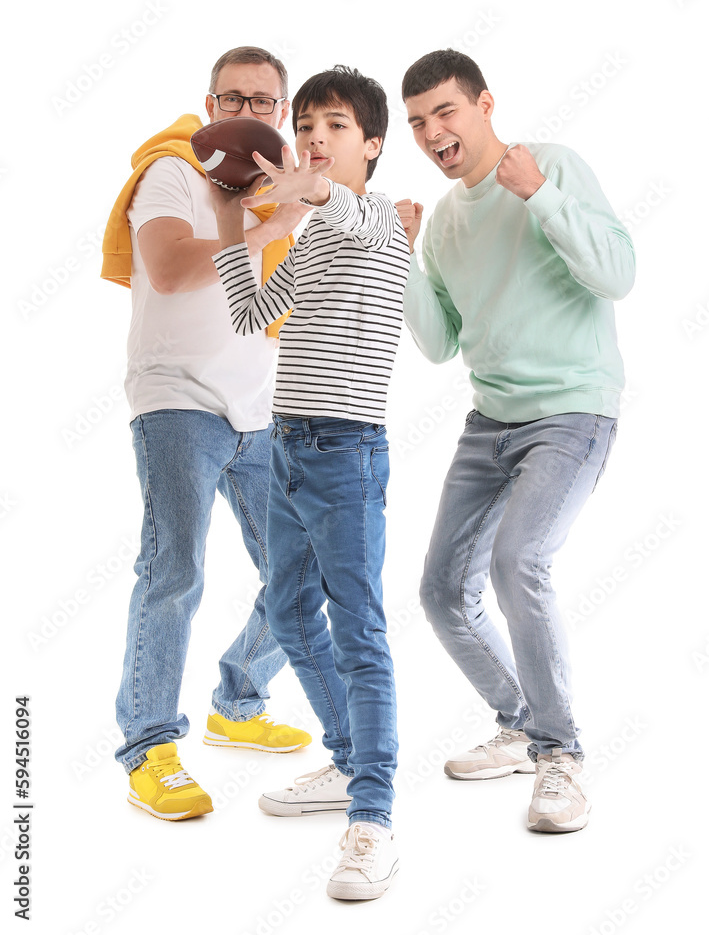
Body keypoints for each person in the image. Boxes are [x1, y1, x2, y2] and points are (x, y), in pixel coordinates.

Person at [398, 48, 635, 833]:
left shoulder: (551, 165)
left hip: (571, 411)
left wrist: (539, 197)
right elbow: (438, 343)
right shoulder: (443, 224)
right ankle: (521, 722)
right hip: (488, 421)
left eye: (445, 112)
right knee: (438, 590)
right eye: (416, 123)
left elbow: (615, 275)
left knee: (517, 561)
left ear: (485, 104)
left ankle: (559, 755)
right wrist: (402, 258)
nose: (433, 132)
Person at [210, 66, 409, 898]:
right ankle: (347, 760)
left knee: (357, 627)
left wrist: (302, 191)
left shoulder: (377, 223)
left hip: (347, 452)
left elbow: (344, 208)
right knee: (291, 610)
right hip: (287, 445)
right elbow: (252, 316)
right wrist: (233, 228)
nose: (314, 138)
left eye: (332, 126)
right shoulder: (318, 230)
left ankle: (373, 818)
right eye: (305, 127)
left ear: (369, 143)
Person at [102, 46, 313, 822]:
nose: (246, 112)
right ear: (210, 104)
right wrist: (270, 227)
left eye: (262, 101)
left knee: (306, 568)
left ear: (280, 113)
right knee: (175, 572)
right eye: (232, 99)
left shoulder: (278, 196)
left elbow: (270, 310)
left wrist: (307, 222)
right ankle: (149, 747)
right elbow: (167, 266)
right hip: (175, 403)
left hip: (257, 413)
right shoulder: (174, 173)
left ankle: (239, 701)